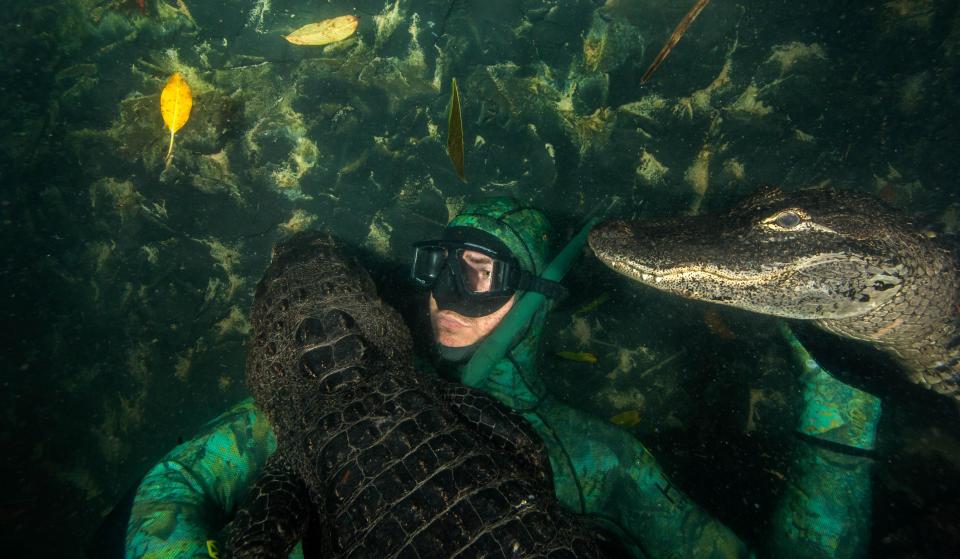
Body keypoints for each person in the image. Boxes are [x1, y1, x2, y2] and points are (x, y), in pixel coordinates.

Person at [122, 197, 881, 558]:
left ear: (538, 297)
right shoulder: (326, 393)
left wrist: (841, 410)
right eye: (440, 268)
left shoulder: (601, 459)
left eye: (480, 275)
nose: (445, 296)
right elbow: (173, 483)